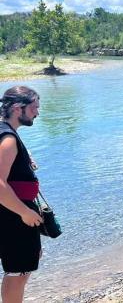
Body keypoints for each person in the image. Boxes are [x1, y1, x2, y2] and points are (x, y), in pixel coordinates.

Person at [0, 86, 43, 303]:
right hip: (13, 215)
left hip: (9, 213)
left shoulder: (5, 132)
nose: (37, 112)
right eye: (34, 107)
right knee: (18, 272)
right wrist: (25, 212)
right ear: (18, 108)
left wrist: (25, 160)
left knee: (21, 267)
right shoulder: (7, 138)